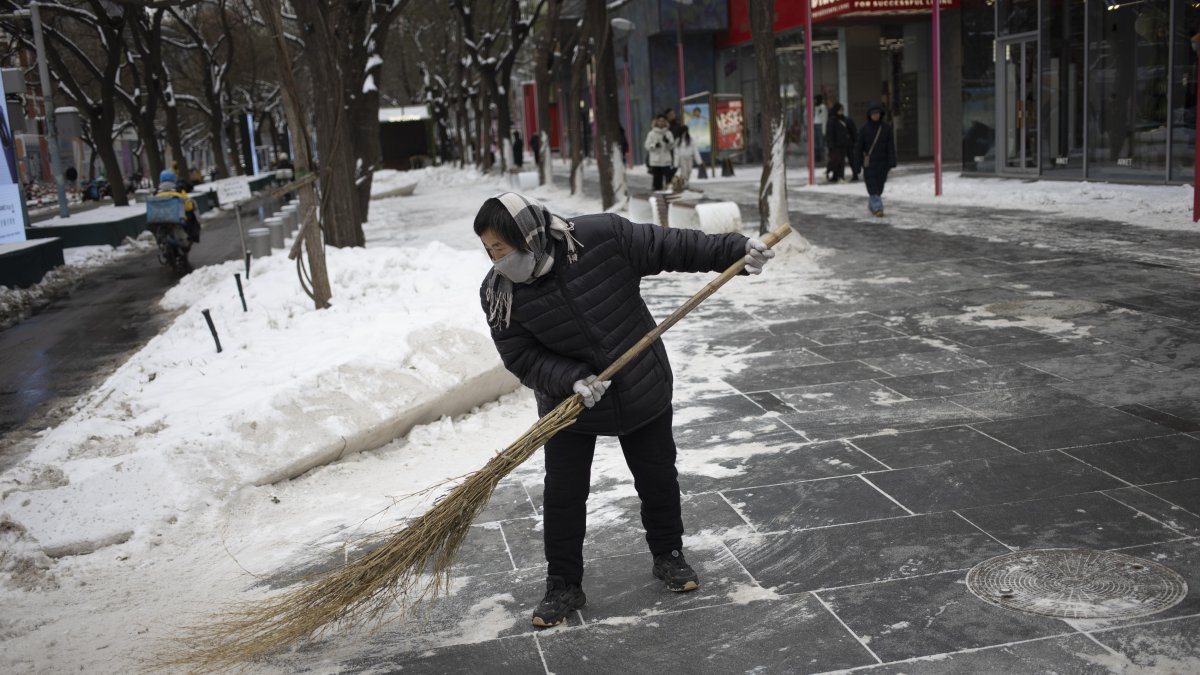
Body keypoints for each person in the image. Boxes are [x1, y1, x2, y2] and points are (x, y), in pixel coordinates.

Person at [474, 192, 775, 628]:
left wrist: (735, 250)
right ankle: (563, 583)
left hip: (638, 381)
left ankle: (669, 554)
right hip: (569, 403)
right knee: (563, 494)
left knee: (657, 476)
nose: (496, 261)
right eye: (489, 251)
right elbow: (521, 356)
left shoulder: (600, 238)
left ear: (529, 236)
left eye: (501, 249)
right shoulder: (499, 294)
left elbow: (672, 245)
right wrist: (571, 379)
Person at [853, 102, 897, 217]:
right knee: (872, 185)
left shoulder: (886, 128)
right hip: (869, 163)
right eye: (873, 113)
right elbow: (858, 148)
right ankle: (877, 207)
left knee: (879, 186)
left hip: (883, 163)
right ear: (869, 115)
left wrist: (892, 161)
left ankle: (872, 204)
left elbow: (890, 146)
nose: (875, 115)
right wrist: (857, 165)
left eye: (877, 113)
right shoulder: (864, 129)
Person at [155, 169, 201, 243]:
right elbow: (188, 206)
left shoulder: (156, 193)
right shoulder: (179, 191)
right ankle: (192, 236)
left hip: (161, 219)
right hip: (177, 218)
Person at [824, 103, 855, 183]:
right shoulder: (832, 120)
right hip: (835, 145)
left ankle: (840, 176)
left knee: (841, 161)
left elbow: (851, 131)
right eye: (839, 110)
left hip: (844, 144)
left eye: (842, 110)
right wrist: (831, 144)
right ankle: (832, 173)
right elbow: (830, 133)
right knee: (836, 160)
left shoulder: (845, 119)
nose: (841, 111)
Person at [644, 115, 675, 191]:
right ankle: (657, 193)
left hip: (666, 160)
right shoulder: (651, 133)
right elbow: (647, 146)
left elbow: (672, 146)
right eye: (660, 121)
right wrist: (655, 145)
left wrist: (667, 142)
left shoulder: (668, 133)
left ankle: (668, 192)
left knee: (668, 179)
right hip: (656, 161)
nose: (661, 122)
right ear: (656, 122)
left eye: (663, 121)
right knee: (657, 180)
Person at [812, 94, 827, 164]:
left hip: (820, 125)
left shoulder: (822, 107)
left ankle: (821, 158)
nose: (815, 101)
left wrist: (824, 129)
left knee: (820, 143)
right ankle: (817, 158)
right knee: (815, 143)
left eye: (816, 99)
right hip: (815, 125)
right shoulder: (814, 107)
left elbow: (824, 118)